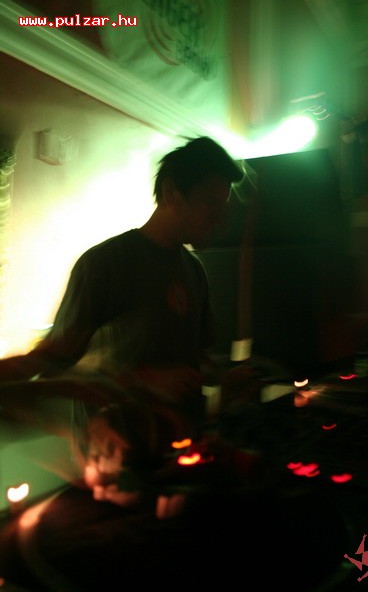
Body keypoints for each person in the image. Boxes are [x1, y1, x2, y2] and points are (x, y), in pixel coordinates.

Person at [0, 136, 247, 503]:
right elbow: (57, 366)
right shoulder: (105, 264)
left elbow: (195, 357)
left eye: (222, 206)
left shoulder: (195, 272)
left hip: (178, 459)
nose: (220, 218)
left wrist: (226, 376)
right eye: (210, 203)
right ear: (172, 193)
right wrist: (142, 378)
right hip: (114, 471)